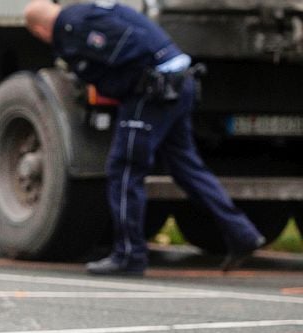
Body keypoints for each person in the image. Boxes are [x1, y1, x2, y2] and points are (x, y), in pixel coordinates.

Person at [23, 0, 266, 275]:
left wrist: (119, 82)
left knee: (124, 169)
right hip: (177, 84)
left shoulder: (74, 26)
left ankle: (129, 255)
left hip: (153, 92)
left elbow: (129, 48)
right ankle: (242, 233)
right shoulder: (87, 12)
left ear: (40, 29)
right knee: (186, 168)